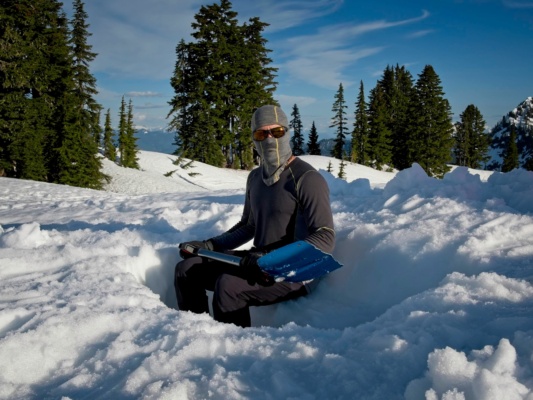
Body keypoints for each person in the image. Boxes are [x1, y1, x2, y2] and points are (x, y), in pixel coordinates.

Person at [174, 105, 335, 327]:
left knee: (228, 285)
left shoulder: (306, 178)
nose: (269, 139)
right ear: (254, 138)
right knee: (187, 269)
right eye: (261, 133)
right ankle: (195, 334)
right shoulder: (255, 178)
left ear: (287, 132)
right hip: (257, 261)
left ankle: (234, 351)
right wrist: (209, 245)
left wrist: (272, 259)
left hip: (295, 271)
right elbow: (248, 226)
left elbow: (324, 237)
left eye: (276, 132)